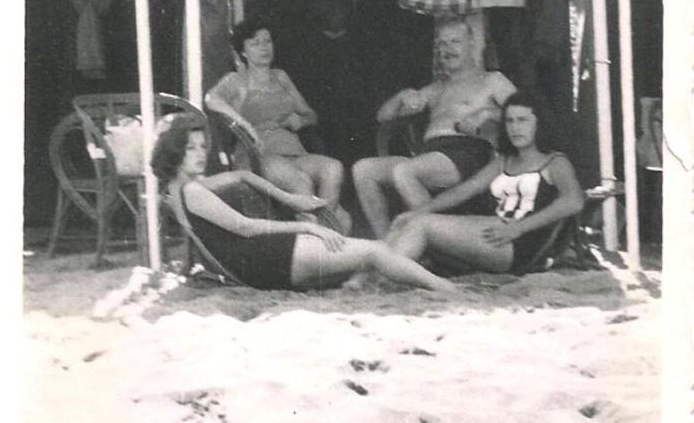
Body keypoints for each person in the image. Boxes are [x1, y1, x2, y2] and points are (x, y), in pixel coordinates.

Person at [151, 115, 454, 292]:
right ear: (175, 152)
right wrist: (310, 230)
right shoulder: (193, 191)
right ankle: (448, 289)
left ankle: (384, 280)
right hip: (267, 261)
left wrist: (288, 198)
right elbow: (245, 226)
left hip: (257, 265)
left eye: (202, 146)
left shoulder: (179, 190)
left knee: (361, 258)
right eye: (190, 149)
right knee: (374, 251)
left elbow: (242, 174)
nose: (201, 154)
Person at [384, 91, 585, 275]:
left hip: (519, 244)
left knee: (421, 225)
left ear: (539, 123)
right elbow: (465, 190)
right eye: (510, 121)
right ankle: (364, 278)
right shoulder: (505, 160)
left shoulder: (555, 161)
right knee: (407, 221)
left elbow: (573, 201)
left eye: (523, 120)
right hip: (494, 232)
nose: (515, 128)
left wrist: (519, 228)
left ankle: (382, 276)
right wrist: (418, 210)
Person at [352, 18, 516, 237]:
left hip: (468, 153)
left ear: (472, 43)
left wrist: (487, 113)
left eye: (454, 42)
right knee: (363, 169)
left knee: (405, 171)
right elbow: (383, 116)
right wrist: (402, 97)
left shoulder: (492, 80)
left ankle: (436, 245)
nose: (447, 50)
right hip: (430, 155)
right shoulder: (436, 89)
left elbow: (526, 113)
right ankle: (387, 247)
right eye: (441, 44)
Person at [205, 18, 350, 231]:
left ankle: (323, 231)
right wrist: (245, 125)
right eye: (255, 43)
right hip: (258, 155)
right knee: (300, 181)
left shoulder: (281, 77)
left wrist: (300, 120)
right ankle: (321, 236)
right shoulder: (236, 80)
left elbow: (310, 114)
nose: (264, 48)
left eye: (267, 41)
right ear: (242, 51)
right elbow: (211, 99)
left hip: (292, 151)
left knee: (333, 168)